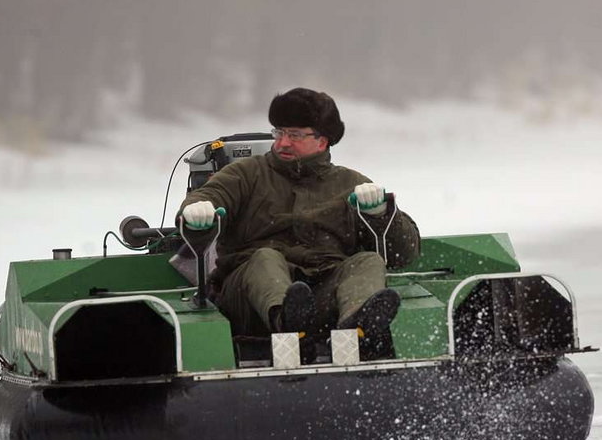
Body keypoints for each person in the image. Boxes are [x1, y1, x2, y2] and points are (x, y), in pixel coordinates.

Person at [178, 88, 420, 362]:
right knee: (266, 258)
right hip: (250, 299)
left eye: (294, 135)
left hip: (321, 294)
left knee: (367, 261)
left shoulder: (350, 184)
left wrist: (381, 214)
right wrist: (198, 210)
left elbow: (403, 255)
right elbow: (209, 196)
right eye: (279, 132)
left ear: (322, 140)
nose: (282, 143)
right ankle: (290, 326)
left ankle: (358, 330)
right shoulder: (245, 174)